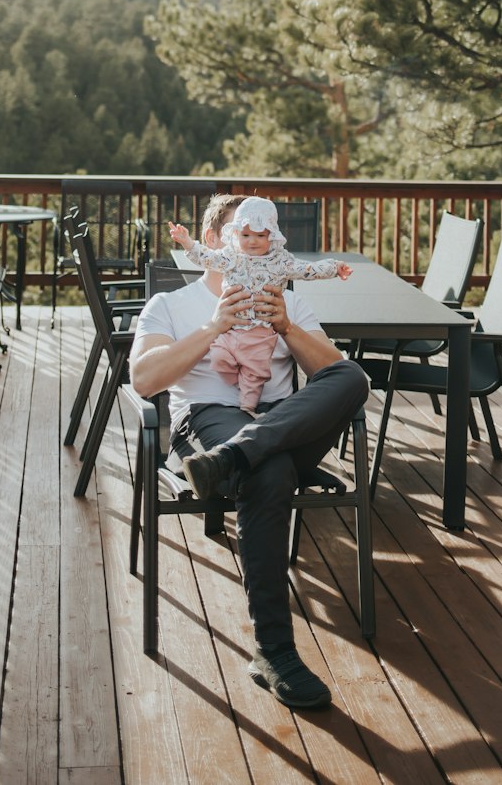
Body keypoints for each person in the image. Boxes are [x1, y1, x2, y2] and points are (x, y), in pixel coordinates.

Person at [131, 193, 369, 711]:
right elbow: (145, 379)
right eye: (244, 232)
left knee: (352, 374)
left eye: (265, 234)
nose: (257, 243)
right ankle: (275, 652)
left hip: (284, 424)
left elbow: (335, 374)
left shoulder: (289, 300)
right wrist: (214, 326)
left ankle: (237, 457)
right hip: (209, 420)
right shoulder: (170, 305)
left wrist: (286, 327)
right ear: (215, 242)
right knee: (271, 469)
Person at [167, 195, 353, 414]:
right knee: (219, 357)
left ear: (271, 237)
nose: (252, 241)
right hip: (231, 328)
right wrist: (187, 242)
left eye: (259, 235)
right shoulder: (231, 257)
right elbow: (206, 257)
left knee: (254, 374)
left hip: (260, 331)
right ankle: (236, 390)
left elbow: (308, 270)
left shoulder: (280, 262)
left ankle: (247, 407)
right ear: (235, 235)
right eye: (245, 235)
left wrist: (334, 267)